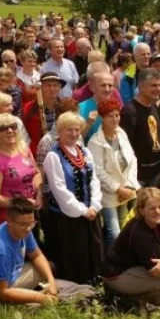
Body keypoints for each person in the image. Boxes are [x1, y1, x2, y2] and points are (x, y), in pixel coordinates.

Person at [0, 198, 91, 305]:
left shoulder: (23, 229)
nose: (29, 228)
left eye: (31, 223)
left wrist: (50, 280)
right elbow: (2, 292)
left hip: (14, 273)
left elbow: (36, 255)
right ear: (9, 221)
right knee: (45, 296)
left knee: (49, 267)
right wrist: (40, 298)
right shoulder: (1, 250)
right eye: (23, 224)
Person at [42, 112, 103, 284]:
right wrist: (82, 210)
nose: (74, 134)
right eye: (69, 130)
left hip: (90, 211)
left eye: (77, 130)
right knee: (74, 253)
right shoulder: (53, 156)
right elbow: (59, 189)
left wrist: (95, 205)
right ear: (60, 131)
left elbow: (94, 180)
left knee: (92, 249)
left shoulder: (84, 152)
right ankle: (75, 287)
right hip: (66, 216)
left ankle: (94, 280)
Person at [101, 187, 160, 308]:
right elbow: (154, 269)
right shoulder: (139, 233)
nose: (158, 211)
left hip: (134, 267)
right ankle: (125, 297)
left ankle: (131, 296)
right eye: (152, 208)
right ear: (142, 210)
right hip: (116, 275)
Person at [88, 98, 139, 249]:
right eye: (110, 116)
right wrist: (118, 189)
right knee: (114, 232)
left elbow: (132, 159)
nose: (115, 119)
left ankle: (119, 260)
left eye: (117, 115)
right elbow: (98, 171)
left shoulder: (121, 133)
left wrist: (130, 185)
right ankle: (108, 263)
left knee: (124, 228)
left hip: (126, 190)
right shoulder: (95, 142)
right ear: (102, 118)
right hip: (108, 194)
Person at [0, 113, 41, 232]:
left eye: (13, 126)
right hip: (11, 219)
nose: (10, 130)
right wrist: (22, 203)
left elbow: (36, 173)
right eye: (3, 128)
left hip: (30, 212)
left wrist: (39, 194)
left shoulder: (23, 148)